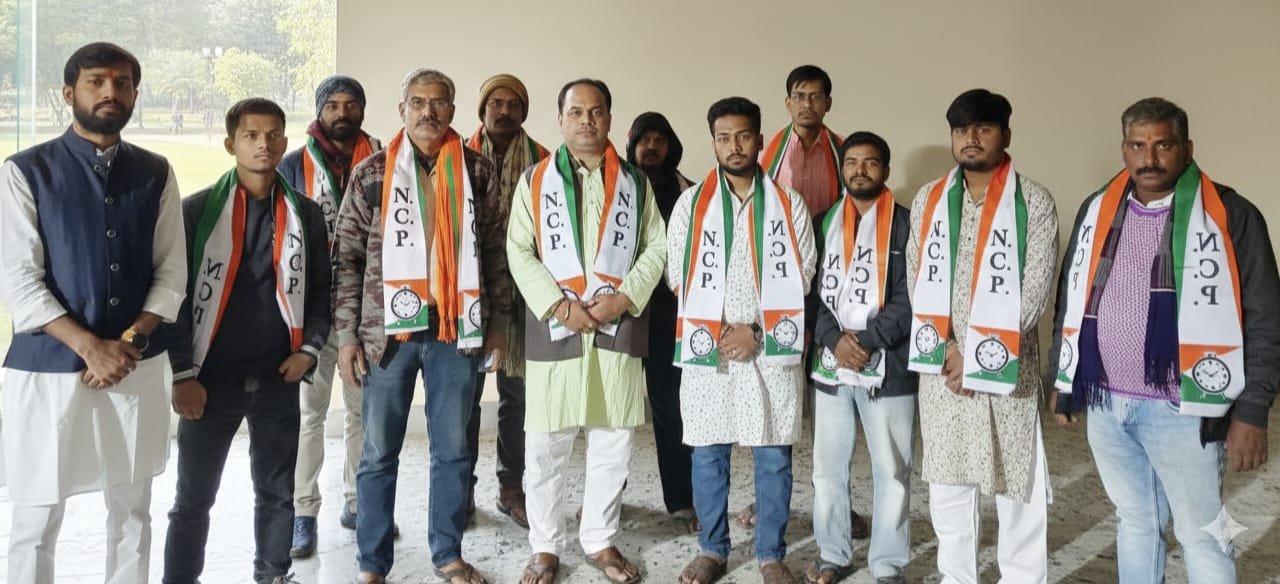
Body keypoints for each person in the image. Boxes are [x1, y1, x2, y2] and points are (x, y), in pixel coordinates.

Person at [1050, 97, 1280, 583]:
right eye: (1137, 145)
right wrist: (1064, 376)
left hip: (1185, 408)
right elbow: (1071, 297)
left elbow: (1266, 319)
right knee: (1135, 521)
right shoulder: (1098, 210)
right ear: (1124, 149)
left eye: (1163, 145)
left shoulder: (1231, 214)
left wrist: (1252, 410)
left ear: (1187, 148)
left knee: (1202, 533)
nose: (1149, 158)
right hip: (1108, 404)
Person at [0, 42, 186, 584]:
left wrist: (128, 342)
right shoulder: (26, 171)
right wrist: (89, 348)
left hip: (134, 366)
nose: (111, 92)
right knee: (36, 515)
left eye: (122, 83)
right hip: (48, 368)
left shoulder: (155, 172)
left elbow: (172, 271)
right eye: (96, 81)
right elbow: (18, 279)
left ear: (135, 94)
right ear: (68, 92)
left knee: (132, 513)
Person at [333, 68, 505, 584]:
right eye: (417, 102)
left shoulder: (477, 171)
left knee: (453, 449)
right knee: (377, 452)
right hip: (388, 336)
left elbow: (495, 252)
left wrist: (498, 324)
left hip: (458, 331)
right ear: (402, 109)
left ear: (452, 110)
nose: (428, 111)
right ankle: (372, 562)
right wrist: (347, 336)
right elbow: (347, 260)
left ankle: (447, 553)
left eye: (438, 102)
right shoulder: (372, 173)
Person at [163, 97, 331, 584]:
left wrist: (308, 350)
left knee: (277, 492)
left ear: (285, 140)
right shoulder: (196, 212)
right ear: (230, 143)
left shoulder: (305, 215)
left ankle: (273, 574)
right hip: (209, 378)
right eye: (251, 135)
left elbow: (320, 291)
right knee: (193, 497)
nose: (264, 144)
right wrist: (182, 374)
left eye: (273, 135)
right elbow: (173, 297)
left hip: (278, 374)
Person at [506, 78, 666, 584]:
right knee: (545, 443)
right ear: (560, 119)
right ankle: (545, 545)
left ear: (609, 119)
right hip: (556, 326)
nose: (586, 120)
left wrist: (624, 297)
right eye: (576, 112)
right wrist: (558, 305)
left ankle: (599, 537)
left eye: (596, 111)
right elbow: (518, 249)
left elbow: (657, 247)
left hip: (618, 324)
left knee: (613, 439)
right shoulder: (535, 181)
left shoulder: (635, 184)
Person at [906, 88, 1058, 583]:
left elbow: (1034, 292)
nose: (970, 138)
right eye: (961, 130)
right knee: (949, 485)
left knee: (1018, 486)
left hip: (1008, 371)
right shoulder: (929, 199)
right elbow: (916, 279)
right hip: (944, 370)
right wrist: (950, 348)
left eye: (983, 128)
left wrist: (976, 355)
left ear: (1005, 135)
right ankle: (957, 577)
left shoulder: (1033, 201)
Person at [670, 96, 816, 584]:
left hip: (768, 349)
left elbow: (803, 275)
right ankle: (712, 549)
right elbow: (676, 275)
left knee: (772, 456)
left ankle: (770, 553)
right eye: (724, 137)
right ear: (713, 142)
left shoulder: (788, 205)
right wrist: (720, 332)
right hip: (710, 353)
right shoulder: (691, 205)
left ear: (759, 139)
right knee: (709, 455)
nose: (734, 146)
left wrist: (754, 331)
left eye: (744, 136)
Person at [278, 74, 383, 558]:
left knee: (364, 412)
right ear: (320, 110)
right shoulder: (293, 164)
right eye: (333, 105)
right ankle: (302, 512)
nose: (343, 113)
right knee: (309, 414)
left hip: (367, 310)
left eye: (351, 104)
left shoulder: (384, 159)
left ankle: (359, 503)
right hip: (312, 312)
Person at [807, 132, 917, 584]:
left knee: (892, 469)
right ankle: (832, 554)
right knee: (827, 469)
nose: (859, 170)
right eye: (851, 162)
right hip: (831, 366)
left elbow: (913, 296)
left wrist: (868, 340)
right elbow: (807, 291)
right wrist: (834, 340)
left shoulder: (908, 225)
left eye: (870, 162)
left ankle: (887, 563)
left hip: (889, 367)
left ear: (885, 170)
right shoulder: (823, 223)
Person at [463, 73, 550, 528]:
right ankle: (460, 489)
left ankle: (510, 487)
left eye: (513, 104)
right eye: (495, 102)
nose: (503, 110)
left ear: (524, 112)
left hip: (523, 298)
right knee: (464, 396)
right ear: (482, 109)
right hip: (467, 294)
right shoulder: (456, 156)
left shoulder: (544, 162)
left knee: (517, 397)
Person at [625, 111, 696, 530]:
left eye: (660, 140)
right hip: (621, 315)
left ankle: (682, 500)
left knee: (672, 411)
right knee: (614, 413)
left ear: (671, 147)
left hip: (669, 320)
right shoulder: (617, 188)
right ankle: (607, 502)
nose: (651, 147)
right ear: (631, 145)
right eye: (644, 140)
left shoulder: (690, 194)